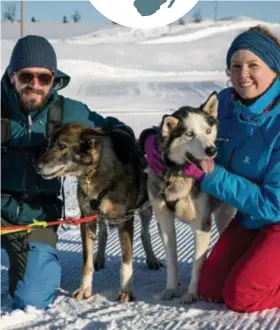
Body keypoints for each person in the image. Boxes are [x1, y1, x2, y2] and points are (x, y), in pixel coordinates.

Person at [139, 25, 280, 313]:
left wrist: (208, 175)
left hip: (275, 213)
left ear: (275, 68)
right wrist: (152, 139)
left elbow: (273, 204)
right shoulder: (227, 103)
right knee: (210, 288)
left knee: (242, 295)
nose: (243, 75)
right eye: (235, 66)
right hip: (252, 217)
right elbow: (187, 126)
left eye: (254, 65)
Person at [1, 35, 139, 310]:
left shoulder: (67, 111)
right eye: (27, 76)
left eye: (44, 78)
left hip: (38, 218)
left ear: (54, 79)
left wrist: (124, 136)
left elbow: (109, 125)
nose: (35, 85)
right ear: (13, 76)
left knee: (32, 298)